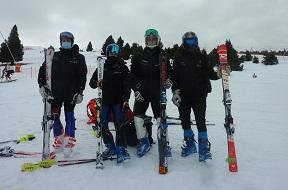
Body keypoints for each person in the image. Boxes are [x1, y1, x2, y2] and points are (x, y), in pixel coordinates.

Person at [171, 31, 219, 162]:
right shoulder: (178, 58)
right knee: (185, 121)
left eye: (192, 41)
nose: (190, 43)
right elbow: (174, 78)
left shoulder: (202, 57)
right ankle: (190, 144)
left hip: (199, 96)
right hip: (183, 96)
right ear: (183, 42)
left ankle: (203, 149)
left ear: (196, 41)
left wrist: (220, 73)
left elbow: (211, 74)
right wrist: (175, 91)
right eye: (187, 41)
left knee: (200, 121)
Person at [38, 31, 87, 156]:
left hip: (71, 94)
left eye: (68, 40)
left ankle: (69, 141)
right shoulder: (54, 56)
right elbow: (43, 70)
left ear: (72, 41)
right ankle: (59, 139)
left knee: (69, 117)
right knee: (55, 117)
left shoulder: (79, 57)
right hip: (55, 94)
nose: (66, 42)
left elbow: (83, 76)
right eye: (63, 40)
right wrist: (42, 85)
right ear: (60, 41)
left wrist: (80, 91)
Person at [130, 28, 172, 157]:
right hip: (142, 94)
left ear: (157, 40)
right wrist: (136, 90)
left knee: (161, 118)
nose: (151, 41)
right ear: (146, 40)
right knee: (137, 117)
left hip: (158, 93)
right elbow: (132, 76)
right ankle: (144, 141)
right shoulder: (138, 56)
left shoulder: (163, 56)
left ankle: (164, 143)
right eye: (149, 39)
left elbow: (169, 73)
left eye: (154, 39)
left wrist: (169, 81)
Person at [89, 43, 131, 163]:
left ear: (118, 53)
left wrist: (126, 99)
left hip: (118, 101)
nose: (113, 53)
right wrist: (97, 82)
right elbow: (91, 84)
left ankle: (121, 148)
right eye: (111, 51)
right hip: (105, 101)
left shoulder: (123, 67)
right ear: (107, 53)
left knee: (120, 123)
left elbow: (127, 85)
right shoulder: (101, 66)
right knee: (102, 124)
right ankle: (110, 146)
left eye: (115, 51)